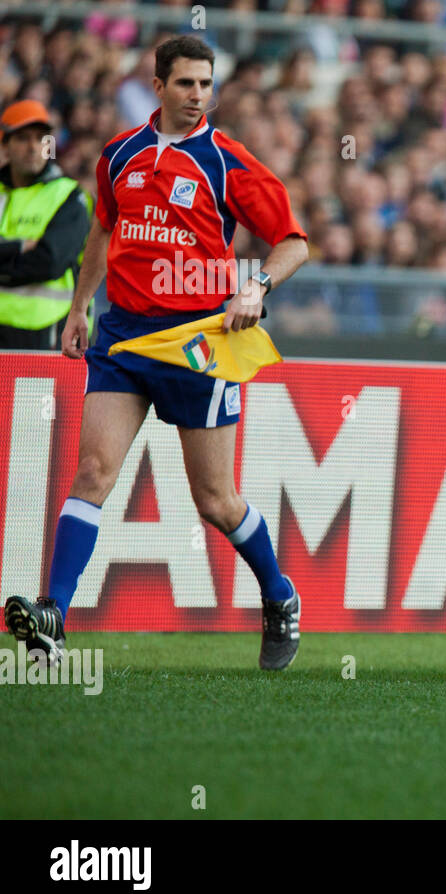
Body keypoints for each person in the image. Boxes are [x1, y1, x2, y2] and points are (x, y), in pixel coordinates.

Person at [3, 36, 310, 669]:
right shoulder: (119, 155)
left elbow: (294, 242)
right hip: (123, 338)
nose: (198, 95)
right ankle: (53, 618)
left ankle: (279, 594)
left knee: (216, 502)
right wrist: (81, 305)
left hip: (200, 342)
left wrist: (256, 285)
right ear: (158, 84)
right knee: (92, 472)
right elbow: (101, 229)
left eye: (206, 84)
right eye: (186, 84)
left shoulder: (227, 161)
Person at [0, 99, 93, 350]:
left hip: (46, 332)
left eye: (41, 138)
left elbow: (50, 262)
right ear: (5, 144)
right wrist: (20, 247)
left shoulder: (70, 196)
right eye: (22, 138)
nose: (33, 147)